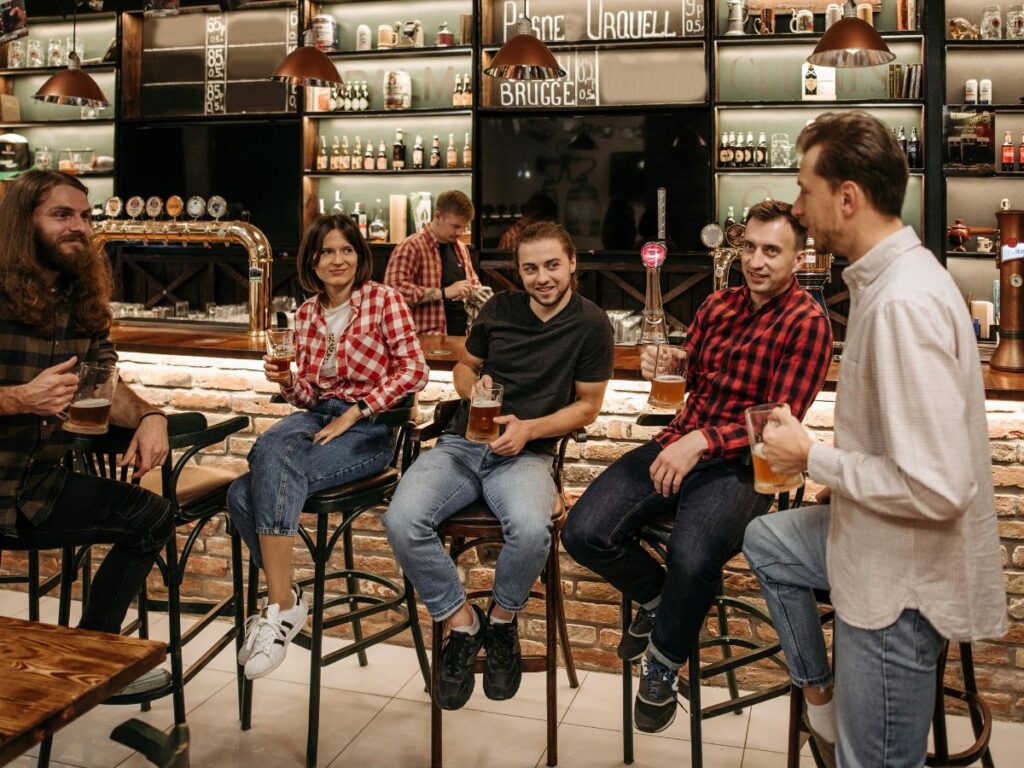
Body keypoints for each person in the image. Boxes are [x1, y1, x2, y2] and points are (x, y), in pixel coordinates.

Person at [742, 111, 1007, 767]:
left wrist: (814, 457)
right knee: (766, 539)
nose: (799, 209)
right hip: (870, 542)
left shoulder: (902, 304)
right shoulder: (885, 282)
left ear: (848, 197)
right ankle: (820, 702)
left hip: (897, 586)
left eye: (806, 190)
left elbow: (938, 487)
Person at [562, 199, 833, 733]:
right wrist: (672, 363)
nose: (755, 261)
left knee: (692, 554)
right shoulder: (717, 306)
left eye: (771, 251)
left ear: (798, 260)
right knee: (583, 532)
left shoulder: (808, 323)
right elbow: (700, 373)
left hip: (743, 468)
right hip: (680, 440)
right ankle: (661, 601)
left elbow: (777, 428)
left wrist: (703, 443)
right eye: (749, 248)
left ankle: (662, 661)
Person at [384, 222, 614, 711]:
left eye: (552, 265)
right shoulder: (500, 309)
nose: (542, 277)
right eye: (530, 268)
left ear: (572, 263)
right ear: (520, 272)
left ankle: (503, 622)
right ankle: (464, 624)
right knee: (401, 520)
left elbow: (588, 407)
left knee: (532, 531)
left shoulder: (592, 324)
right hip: (464, 446)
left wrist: (529, 430)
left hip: (527, 455)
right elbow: (465, 366)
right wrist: (473, 391)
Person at [227, 213, 427, 680]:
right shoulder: (305, 315)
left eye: (346, 250)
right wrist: (286, 383)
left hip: (371, 430)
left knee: (257, 477)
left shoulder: (383, 300)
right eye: (326, 252)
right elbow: (309, 396)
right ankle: (285, 601)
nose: (337, 260)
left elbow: (414, 370)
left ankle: (281, 609)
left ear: (360, 255)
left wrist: (356, 412)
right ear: (311, 263)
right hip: (317, 419)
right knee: (247, 481)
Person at [0, 171, 174, 690]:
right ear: (22, 222)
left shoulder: (82, 298)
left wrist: (150, 415)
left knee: (152, 517)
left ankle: (88, 661)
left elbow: (102, 381)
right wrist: (15, 399)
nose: (79, 227)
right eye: (62, 215)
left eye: (85, 216)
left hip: (36, 490)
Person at [384, 189, 480, 336]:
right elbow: (393, 290)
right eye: (455, 226)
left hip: (462, 337)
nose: (460, 232)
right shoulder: (411, 246)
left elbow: (474, 283)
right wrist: (443, 292)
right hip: (425, 340)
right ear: (437, 216)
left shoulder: (461, 248)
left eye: (464, 227)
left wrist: (472, 291)